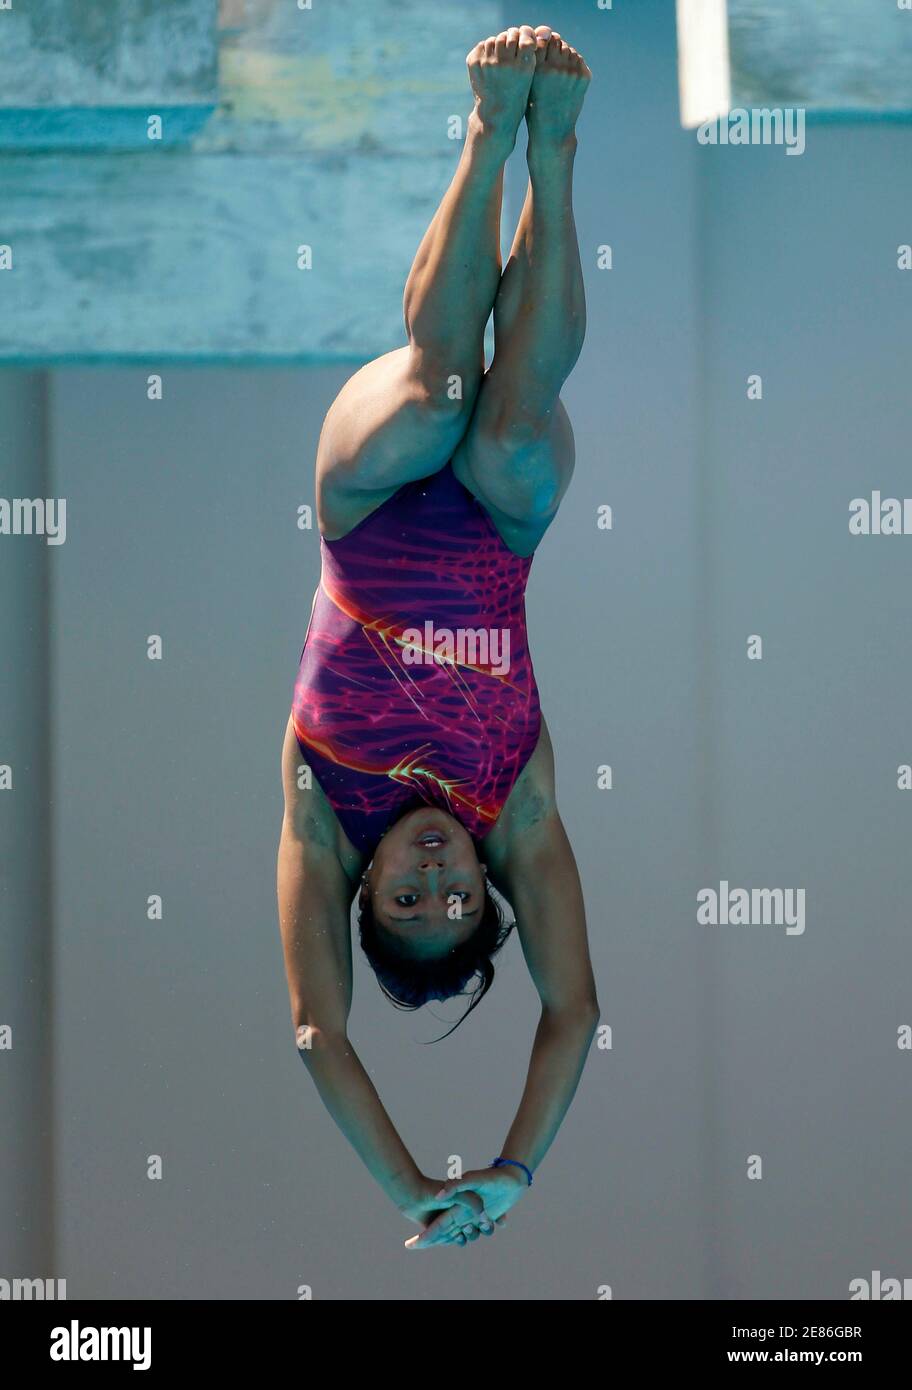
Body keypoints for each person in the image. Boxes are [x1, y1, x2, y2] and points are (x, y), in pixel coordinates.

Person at [277, 24, 598, 1250]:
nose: (427, 875)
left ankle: (484, 133)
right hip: (500, 528)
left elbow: (318, 1031)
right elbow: (572, 1008)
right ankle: (554, 154)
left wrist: (409, 1184)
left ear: (367, 895)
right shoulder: (516, 813)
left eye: (401, 897)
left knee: (442, 390)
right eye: (451, 897)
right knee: (511, 428)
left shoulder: (324, 818)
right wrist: (512, 1168)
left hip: (364, 507)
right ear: (484, 891)